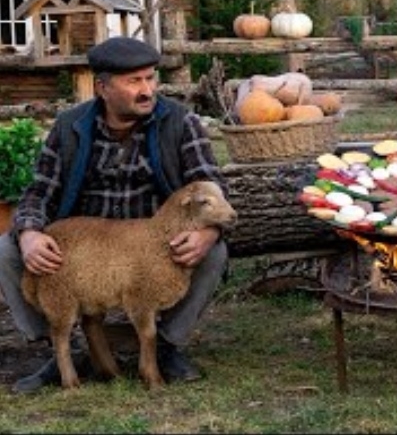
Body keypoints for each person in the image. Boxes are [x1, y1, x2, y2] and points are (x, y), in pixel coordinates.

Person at [0, 36, 230, 394]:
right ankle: (62, 348)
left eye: (151, 78)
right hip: (88, 244)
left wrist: (208, 233)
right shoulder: (70, 127)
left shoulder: (179, 122)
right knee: (8, 250)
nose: (147, 89)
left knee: (214, 253)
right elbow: (38, 191)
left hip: (154, 242)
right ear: (102, 87)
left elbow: (210, 183)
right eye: (134, 81)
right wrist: (29, 232)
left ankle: (166, 346)